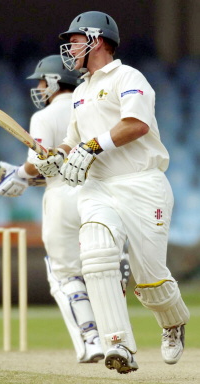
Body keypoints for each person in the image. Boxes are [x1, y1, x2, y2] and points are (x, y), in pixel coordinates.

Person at [31, 11, 190, 374]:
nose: (68, 49)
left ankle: (173, 321)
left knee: (149, 274)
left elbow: (136, 124)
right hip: (97, 187)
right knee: (98, 257)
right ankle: (118, 345)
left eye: (73, 41)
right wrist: (56, 160)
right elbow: (72, 144)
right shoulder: (81, 92)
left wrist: (91, 147)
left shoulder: (127, 77)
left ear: (96, 40)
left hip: (141, 183)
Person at [0, 54, 104, 363]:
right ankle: (115, 337)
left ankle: (91, 340)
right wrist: (31, 177)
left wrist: (19, 175)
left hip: (62, 198)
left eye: (42, 81)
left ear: (55, 81)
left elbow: (40, 162)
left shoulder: (45, 116)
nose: (40, 87)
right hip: (98, 194)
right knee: (101, 269)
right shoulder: (91, 106)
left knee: (65, 274)